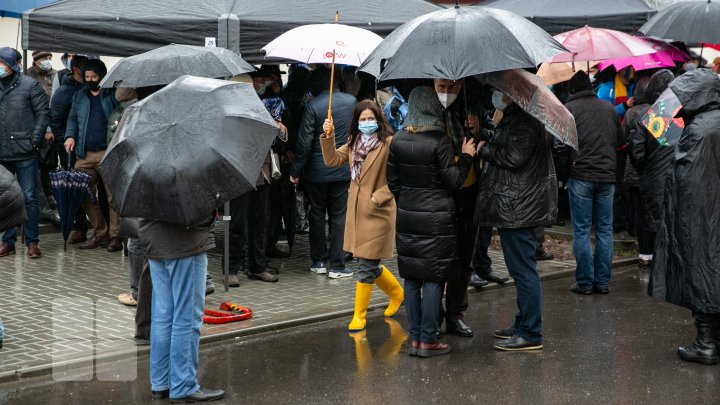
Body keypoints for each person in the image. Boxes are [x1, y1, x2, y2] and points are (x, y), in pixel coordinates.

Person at [388, 86, 475, 358]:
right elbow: (454, 181)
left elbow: (393, 182)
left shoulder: (398, 140)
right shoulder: (439, 141)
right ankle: (429, 339)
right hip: (438, 220)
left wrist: (409, 201)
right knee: (434, 279)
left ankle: (414, 338)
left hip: (408, 217)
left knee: (412, 279)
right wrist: (468, 156)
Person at [475, 87, 557, 351]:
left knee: (523, 271)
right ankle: (523, 323)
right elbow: (505, 139)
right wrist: (483, 132)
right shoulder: (517, 116)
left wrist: (483, 149)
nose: (497, 94)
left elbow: (514, 156)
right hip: (515, 205)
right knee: (520, 269)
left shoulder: (527, 120)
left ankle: (531, 333)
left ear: (514, 94)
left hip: (519, 207)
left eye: (502, 90)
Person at [650, 69, 720, 366]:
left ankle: (706, 343)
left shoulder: (698, 130)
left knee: (702, 270)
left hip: (702, 216)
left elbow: (685, 181)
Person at [320, 100, 404, 332]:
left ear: (378, 119)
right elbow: (331, 160)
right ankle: (397, 293)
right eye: (362, 119)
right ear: (357, 122)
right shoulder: (353, 143)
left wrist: (379, 196)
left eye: (370, 118)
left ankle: (359, 315)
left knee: (366, 265)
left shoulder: (388, 143)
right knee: (366, 261)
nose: (367, 123)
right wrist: (328, 135)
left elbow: (398, 177)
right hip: (357, 212)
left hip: (378, 212)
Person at [138, 213, 225, 402]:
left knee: (163, 314)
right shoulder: (189, 181)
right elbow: (198, 208)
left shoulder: (144, 181)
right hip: (185, 242)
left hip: (153, 238)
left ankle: (161, 383)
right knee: (186, 317)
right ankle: (183, 385)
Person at [289, 66, 355, 278]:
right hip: (343, 168)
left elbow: (305, 142)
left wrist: (296, 169)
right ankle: (337, 264)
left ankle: (318, 260)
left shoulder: (312, 106)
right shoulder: (352, 102)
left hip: (316, 171)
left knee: (316, 214)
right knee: (338, 216)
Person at [564, 71, 624, 295]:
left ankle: (585, 283)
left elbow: (561, 144)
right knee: (605, 230)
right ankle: (602, 282)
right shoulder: (609, 108)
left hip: (580, 175)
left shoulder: (569, 110)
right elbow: (620, 139)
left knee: (581, 230)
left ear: (572, 90)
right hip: (607, 177)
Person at [64, 59, 122, 252]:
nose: (89, 80)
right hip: (84, 154)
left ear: (102, 77)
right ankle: (100, 231)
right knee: (81, 192)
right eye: (87, 77)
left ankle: (115, 236)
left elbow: (120, 115)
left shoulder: (111, 95)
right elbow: (72, 118)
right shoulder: (80, 95)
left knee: (113, 197)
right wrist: (70, 136)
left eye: (93, 77)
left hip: (108, 152)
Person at [0, 47, 49, 259]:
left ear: (12, 65)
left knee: (29, 196)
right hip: (2, 152)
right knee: (5, 198)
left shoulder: (30, 85)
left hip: (24, 150)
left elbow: (43, 114)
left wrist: (34, 140)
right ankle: (7, 241)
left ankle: (32, 242)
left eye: (2, 63)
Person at [626, 69, 675, 269]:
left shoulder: (648, 115)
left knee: (649, 218)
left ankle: (648, 256)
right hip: (674, 177)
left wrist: (644, 168)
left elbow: (637, 152)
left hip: (650, 179)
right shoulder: (679, 116)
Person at [50, 55, 90, 243]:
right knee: (74, 186)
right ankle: (80, 226)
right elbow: (56, 120)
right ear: (75, 69)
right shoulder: (64, 92)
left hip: (91, 147)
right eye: (84, 68)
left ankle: (104, 230)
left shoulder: (92, 89)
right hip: (70, 148)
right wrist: (64, 141)